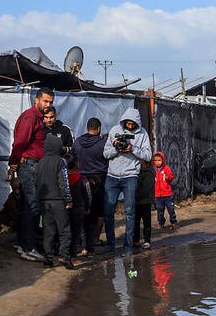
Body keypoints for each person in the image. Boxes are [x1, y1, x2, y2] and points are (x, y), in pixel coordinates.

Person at [7, 87, 54, 262]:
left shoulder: (37, 118)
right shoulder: (31, 117)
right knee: (32, 206)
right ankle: (28, 247)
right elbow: (20, 142)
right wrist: (13, 162)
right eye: (46, 101)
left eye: (50, 102)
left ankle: (22, 243)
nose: (48, 105)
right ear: (37, 100)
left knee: (27, 206)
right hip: (29, 165)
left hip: (32, 165)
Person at [102, 108, 153, 254]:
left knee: (130, 211)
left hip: (130, 176)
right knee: (108, 210)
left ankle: (128, 244)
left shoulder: (142, 133)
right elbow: (106, 153)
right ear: (124, 121)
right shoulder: (115, 130)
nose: (130, 126)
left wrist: (132, 148)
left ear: (137, 123)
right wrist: (116, 148)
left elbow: (148, 156)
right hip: (112, 176)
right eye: (128, 123)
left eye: (133, 124)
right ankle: (111, 243)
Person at [35, 134, 75, 269]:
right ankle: (64, 257)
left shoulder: (39, 163)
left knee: (48, 231)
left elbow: (36, 183)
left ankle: (48, 260)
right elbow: (64, 183)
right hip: (58, 201)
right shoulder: (60, 162)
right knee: (64, 230)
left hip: (44, 201)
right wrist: (68, 199)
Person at [73, 117, 108, 254]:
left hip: (81, 180)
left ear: (87, 128)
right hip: (99, 179)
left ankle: (81, 242)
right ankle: (94, 239)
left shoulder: (78, 142)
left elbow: (72, 157)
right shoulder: (103, 143)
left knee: (82, 210)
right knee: (98, 212)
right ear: (98, 129)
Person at [65, 153, 92, 259]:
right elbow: (88, 193)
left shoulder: (63, 179)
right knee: (79, 230)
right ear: (76, 163)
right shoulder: (82, 178)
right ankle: (77, 252)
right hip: (79, 207)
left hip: (66, 207)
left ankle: (65, 252)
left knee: (66, 230)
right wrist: (88, 206)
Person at [133, 158, 155, 249]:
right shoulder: (138, 171)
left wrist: (136, 195)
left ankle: (147, 240)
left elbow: (146, 188)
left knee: (146, 222)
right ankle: (136, 240)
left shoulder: (149, 172)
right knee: (136, 222)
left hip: (145, 201)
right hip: (137, 201)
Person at [152, 152, 177, 230]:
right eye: (155, 160)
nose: (157, 162)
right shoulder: (153, 170)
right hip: (158, 195)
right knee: (160, 210)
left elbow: (171, 176)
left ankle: (173, 221)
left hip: (167, 194)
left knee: (170, 208)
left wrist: (168, 178)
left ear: (163, 160)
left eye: (159, 160)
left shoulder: (166, 168)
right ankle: (161, 223)